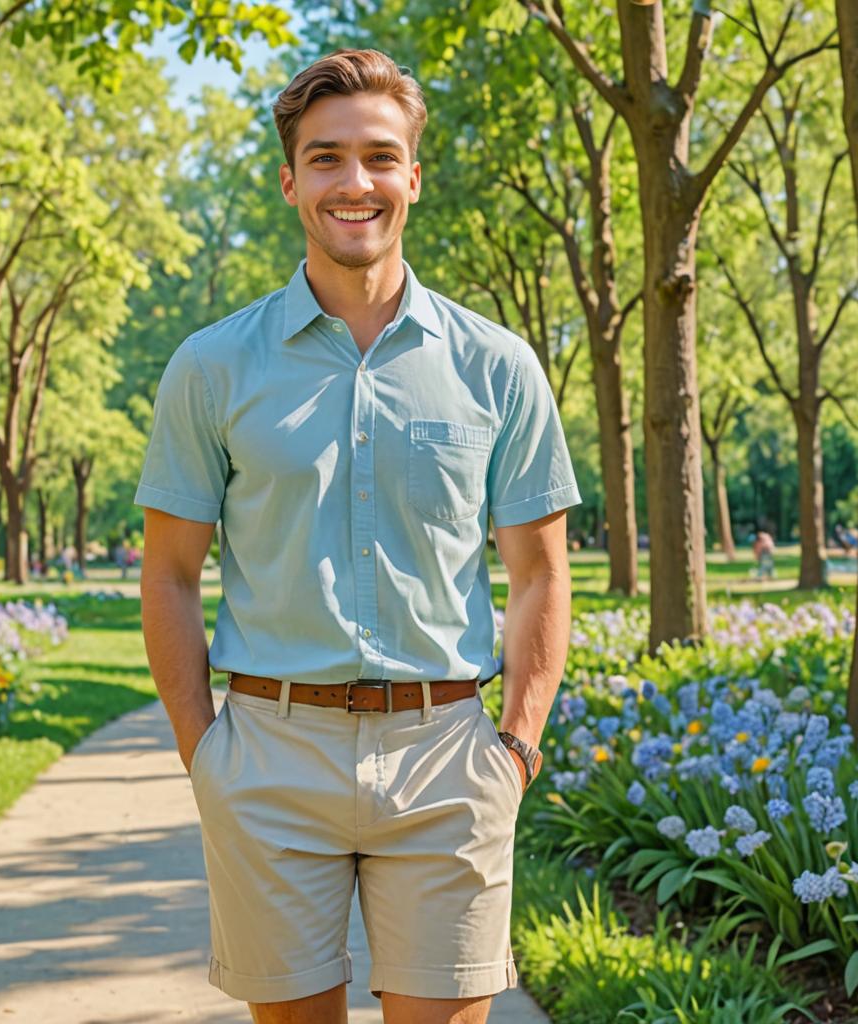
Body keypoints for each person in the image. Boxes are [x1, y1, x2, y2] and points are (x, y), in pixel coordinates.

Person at [135, 50, 581, 1024]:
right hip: (269, 754)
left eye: (380, 156)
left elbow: (541, 576)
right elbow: (168, 573)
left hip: (446, 758)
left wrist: (515, 747)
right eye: (326, 158)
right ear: (290, 180)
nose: (355, 182)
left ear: (413, 176)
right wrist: (202, 752)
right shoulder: (210, 366)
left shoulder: (498, 367)